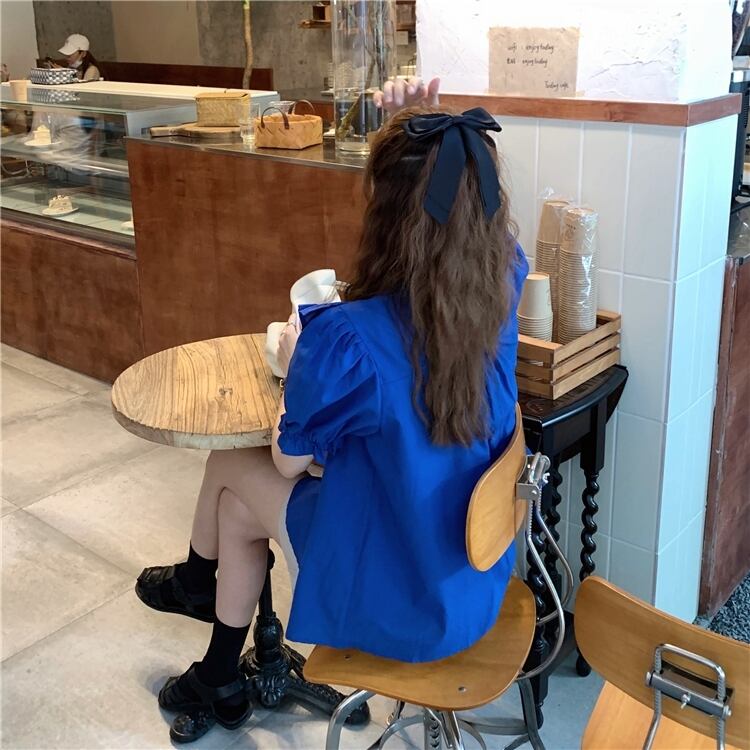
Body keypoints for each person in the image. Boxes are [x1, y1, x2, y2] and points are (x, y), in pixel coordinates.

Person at [134, 77, 528, 743]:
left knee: (233, 466)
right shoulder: (503, 282)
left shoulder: (351, 340)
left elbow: (288, 461)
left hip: (402, 591)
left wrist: (299, 361)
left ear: (385, 215)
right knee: (237, 509)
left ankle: (199, 586)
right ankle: (217, 667)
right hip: (470, 574)